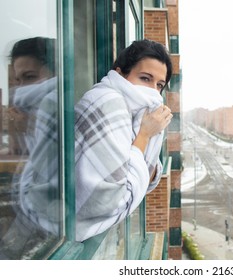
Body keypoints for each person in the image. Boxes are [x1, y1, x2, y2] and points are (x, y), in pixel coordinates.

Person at [75, 39, 173, 241]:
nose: (154, 92)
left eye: (160, 85)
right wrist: (145, 135)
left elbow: (143, 180)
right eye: (145, 78)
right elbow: (106, 200)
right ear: (119, 74)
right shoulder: (107, 102)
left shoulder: (132, 113)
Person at [0, 37, 60, 259]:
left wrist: (32, 125)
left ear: (56, 74)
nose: (21, 90)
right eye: (18, 80)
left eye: (30, 77)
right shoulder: (31, 113)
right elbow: (21, 156)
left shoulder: (57, 107)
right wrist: (21, 130)